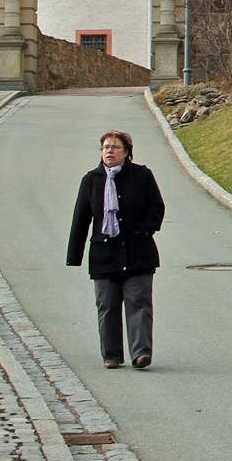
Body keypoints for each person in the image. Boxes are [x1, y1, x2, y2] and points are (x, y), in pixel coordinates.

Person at [66, 129, 166, 370]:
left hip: (138, 252)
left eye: (114, 147)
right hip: (104, 255)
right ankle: (111, 355)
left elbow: (156, 207)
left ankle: (141, 353)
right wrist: (74, 255)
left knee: (139, 304)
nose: (109, 151)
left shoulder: (142, 175)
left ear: (127, 152)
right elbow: (81, 219)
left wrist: (144, 230)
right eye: (105, 147)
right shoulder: (92, 180)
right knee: (107, 306)